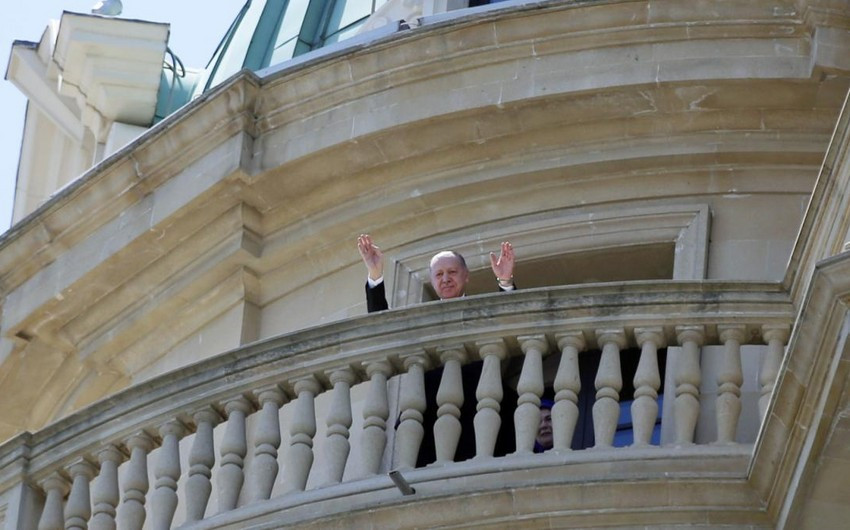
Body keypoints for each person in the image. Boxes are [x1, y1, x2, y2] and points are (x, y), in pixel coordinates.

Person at [357, 234, 516, 313]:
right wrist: (375, 273)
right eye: (439, 274)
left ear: (466, 275)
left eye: (452, 272)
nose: (446, 279)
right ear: (432, 280)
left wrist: (505, 280)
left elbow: (511, 318)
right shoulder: (420, 319)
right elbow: (382, 326)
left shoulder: (482, 310)